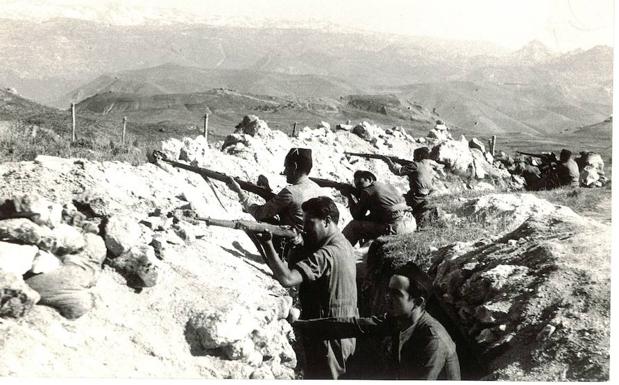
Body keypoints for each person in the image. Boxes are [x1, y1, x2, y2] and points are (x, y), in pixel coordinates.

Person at [293, 263, 461, 380]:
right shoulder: (399, 320)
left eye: (396, 294)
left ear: (418, 302)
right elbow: (350, 326)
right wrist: (301, 325)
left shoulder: (432, 340)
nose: (387, 297)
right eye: (388, 291)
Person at [253, 196, 358, 379]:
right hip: (344, 330)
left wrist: (268, 245)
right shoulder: (343, 243)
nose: (306, 229)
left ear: (326, 221)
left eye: (310, 223)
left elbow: (287, 279)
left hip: (329, 336)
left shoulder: (327, 253)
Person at [227, 148, 324, 251]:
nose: (284, 171)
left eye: (286, 167)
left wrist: (239, 192)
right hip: (312, 245)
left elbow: (259, 213)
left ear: (294, 167)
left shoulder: (290, 192)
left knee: (264, 219)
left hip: (293, 249)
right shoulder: (316, 188)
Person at [342, 170, 415, 247]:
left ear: (369, 179)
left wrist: (349, 196)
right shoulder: (387, 186)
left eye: (360, 184)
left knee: (353, 226)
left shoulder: (367, 191)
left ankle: (339, 251)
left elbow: (356, 216)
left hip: (397, 228)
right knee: (367, 219)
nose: (359, 188)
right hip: (410, 223)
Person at [383, 147, 435, 222]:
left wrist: (388, 161)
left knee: (392, 206)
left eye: (415, 155)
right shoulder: (427, 165)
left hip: (416, 197)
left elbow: (397, 171)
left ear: (419, 156)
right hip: (426, 195)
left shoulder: (415, 165)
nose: (413, 158)